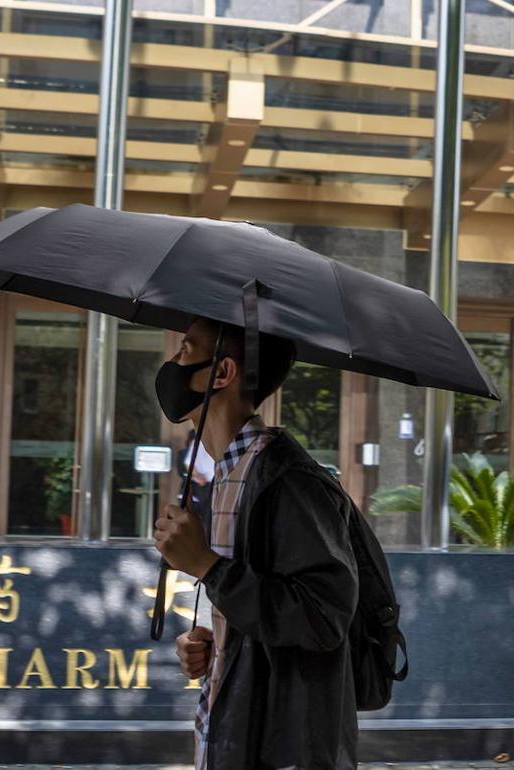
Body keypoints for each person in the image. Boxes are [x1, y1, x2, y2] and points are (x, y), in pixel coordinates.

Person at [152, 317, 359, 770]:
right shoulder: (231, 472)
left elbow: (323, 618)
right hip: (230, 736)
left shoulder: (288, 480)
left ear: (222, 373)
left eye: (185, 350)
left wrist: (207, 566)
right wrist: (217, 644)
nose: (172, 364)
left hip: (279, 751)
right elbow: (263, 609)